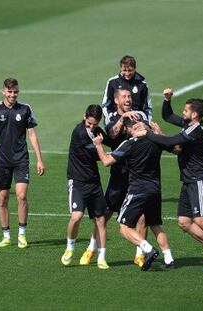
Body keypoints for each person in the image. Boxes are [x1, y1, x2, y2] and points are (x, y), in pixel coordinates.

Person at [142, 89, 203, 272]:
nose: (183, 113)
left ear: (195, 114)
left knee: (201, 220)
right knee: (184, 222)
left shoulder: (196, 129)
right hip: (188, 180)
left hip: (199, 180)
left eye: (186, 110)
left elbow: (169, 143)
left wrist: (147, 134)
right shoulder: (189, 124)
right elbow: (168, 116)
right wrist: (167, 100)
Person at [93, 117, 174, 271]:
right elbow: (169, 144)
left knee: (124, 227)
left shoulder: (130, 143)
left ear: (131, 129)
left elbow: (106, 161)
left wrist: (98, 145)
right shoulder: (156, 141)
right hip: (155, 190)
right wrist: (158, 131)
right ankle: (169, 259)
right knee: (155, 225)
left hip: (138, 190)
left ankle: (148, 249)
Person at [80, 88, 149, 268]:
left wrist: (139, 121)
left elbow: (148, 132)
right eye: (124, 97)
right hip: (118, 178)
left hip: (138, 178)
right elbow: (111, 135)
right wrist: (122, 118)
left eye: (129, 96)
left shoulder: (140, 115)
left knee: (142, 217)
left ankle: (139, 255)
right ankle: (91, 249)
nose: (128, 99)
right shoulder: (111, 119)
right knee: (103, 216)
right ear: (116, 101)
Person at [0, 78, 45, 249]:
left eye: (15, 92)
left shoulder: (25, 109)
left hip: (21, 160)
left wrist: (39, 159)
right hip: (2, 161)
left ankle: (22, 235)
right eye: (9, 92)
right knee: (2, 199)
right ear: (3, 91)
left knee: (21, 196)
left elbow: (32, 134)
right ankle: (6, 235)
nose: (12, 95)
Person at [61, 104, 110, 269]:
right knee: (76, 216)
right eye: (89, 123)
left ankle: (102, 257)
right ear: (84, 117)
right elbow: (97, 154)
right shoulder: (79, 132)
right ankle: (70, 248)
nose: (91, 126)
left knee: (101, 220)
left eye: (95, 124)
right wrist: (102, 147)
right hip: (77, 181)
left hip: (94, 182)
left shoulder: (97, 131)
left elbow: (111, 139)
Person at [102, 55, 153, 125]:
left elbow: (147, 109)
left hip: (136, 122)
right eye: (124, 70)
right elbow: (106, 105)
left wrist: (146, 125)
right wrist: (109, 122)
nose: (127, 73)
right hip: (117, 121)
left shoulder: (142, 85)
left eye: (130, 70)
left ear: (135, 68)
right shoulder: (113, 82)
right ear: (121, 68)